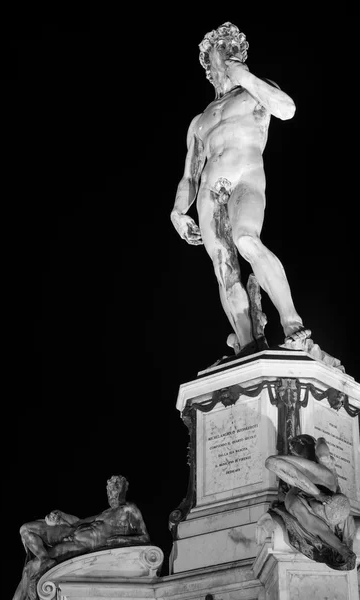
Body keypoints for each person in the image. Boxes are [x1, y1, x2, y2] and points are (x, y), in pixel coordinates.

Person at [170, 22, 311, 355]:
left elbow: (287, 109)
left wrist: (245, 77)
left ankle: (292, 323)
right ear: (209, 60)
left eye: (232, 49)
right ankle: (246, 345)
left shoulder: (253, 92)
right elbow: (190, 173)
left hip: (245, 177)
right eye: (221, 49)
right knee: (224, 269)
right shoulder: (200, 120)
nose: (227, 54)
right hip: (207, 192)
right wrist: (177, 211)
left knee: (246, 239)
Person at [13, 475, 150, 600]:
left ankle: (43, 564)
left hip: (83, 545)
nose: (111, 492)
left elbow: (144, 538)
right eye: (109, 489)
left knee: (30, 568)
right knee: (26, 531)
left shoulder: (130, 509)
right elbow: (79, 522)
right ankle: (44, 560)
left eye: (116, 487)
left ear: (124, 489)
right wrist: (60, 515)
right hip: (73, 534)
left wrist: (119, 540)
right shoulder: (104, 513)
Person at [265, 435, 356, 568]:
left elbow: (271, 462)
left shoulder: (296, 501)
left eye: (292, 451)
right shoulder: (326, 475)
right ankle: (342, 549)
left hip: (312, 496)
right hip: (319, 494)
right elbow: (323, 452)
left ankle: (342, 549)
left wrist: (317, 494)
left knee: (294, 504)